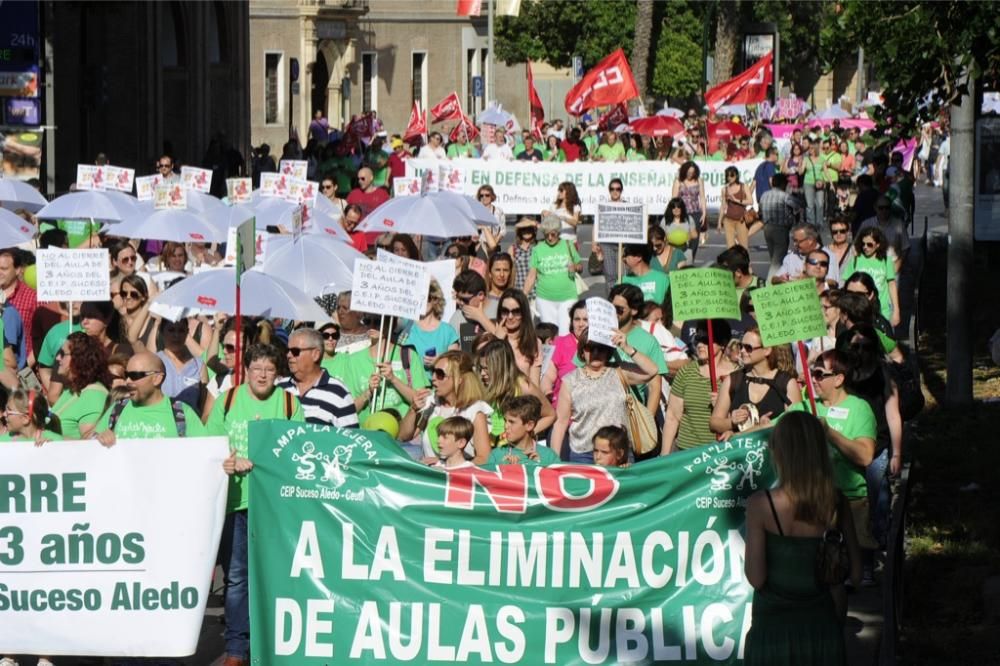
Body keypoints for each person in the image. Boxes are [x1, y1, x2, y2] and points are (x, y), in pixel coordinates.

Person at [209, 344, 305, 666]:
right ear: (246, 370)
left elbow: (298, 452)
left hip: (274, 506)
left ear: (277, 373)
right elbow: (210, 449)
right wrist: (227, 461)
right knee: (236, 578)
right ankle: (236, 650)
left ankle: (271, 646)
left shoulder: (290, 403)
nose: (262, 375)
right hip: (237, 502)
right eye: (256, 368)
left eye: (269, 369)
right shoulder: (229, 400)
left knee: (273, 576)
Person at [743, 411, 861, 665]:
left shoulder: (760, 505)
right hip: (822, 632)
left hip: (772, 633)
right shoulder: (837, 503)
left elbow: (756, 577)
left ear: (778, 452)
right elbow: (857, 574)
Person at [786, 350, 877, 557]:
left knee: (851, 571)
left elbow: (865, 456)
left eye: (820, 375)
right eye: (812, 374)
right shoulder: (805, 406)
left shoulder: (859, 408)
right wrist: (735, 434)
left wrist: (829, 432)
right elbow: (772, 427)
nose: (813, 380)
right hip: (812, 501)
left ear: (838, 379)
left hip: (850, 501)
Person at [549, 328, 658, 462]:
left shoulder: (619, 372)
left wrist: (627, 348)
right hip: (584, 454)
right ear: (582, 351)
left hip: (619, 453)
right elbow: (561, 422)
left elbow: (652, 370)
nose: (595, 352)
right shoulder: (570, 381)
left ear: (608, 350)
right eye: (590, 348)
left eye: (600, 348)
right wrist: (553, 460)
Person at [398, 350, 493, 465]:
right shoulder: (432, 403)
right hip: (430, 478)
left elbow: (484, 459)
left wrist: (444, 464)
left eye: (440, 374)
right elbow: (403, 436)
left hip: (455, 480)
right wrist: (413, 410)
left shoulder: (474, 411)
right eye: (433, 372)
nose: (433, 378)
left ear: (459, 380)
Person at [661, 320, 739, 454]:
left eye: (706, 340)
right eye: (698, 339)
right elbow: (673, 416)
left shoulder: (737, 375)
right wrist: (664, 455)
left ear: (722, 344)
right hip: (686, 453)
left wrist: (723, 407)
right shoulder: (686, 372)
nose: (700, 345)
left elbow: (745, 416)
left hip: (721, 453)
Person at [94, 352, 208, 443]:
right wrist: (99, 438)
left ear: (157, 378)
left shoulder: (181, 413)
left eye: (135, 376)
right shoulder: (117, 409)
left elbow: (204, 451)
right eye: (127, 375)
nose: (128, 381)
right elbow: (90, 447)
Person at [710, 328, 801, 437]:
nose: (742, 351)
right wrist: (731, 422)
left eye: (748, 348)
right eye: (741, 346)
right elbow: (713, 423)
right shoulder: (734, 380)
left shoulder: (786, 383)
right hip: (741, 452)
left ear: (767, 350)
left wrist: (771, 426)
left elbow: (796, 427)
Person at [476, 339, 554, 444]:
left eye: (486, 369)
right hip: (492, 449)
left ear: (500, 367)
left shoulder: (523, 386)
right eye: (481, 368)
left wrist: (526, 435)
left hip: (514, 452)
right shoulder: (483, 384)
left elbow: (550, 415)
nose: (482, 373)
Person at [277, 328, 358, 428]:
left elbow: (350, 437)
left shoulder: (339, 392)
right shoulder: (279, 387)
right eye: (287, 350)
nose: (289, 355)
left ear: (315, 354)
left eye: (295, 351)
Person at [523, 215, 582, 335]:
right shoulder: (538, 249)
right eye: (546, 234)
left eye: (553, 234)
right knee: (549, 335)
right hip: (545, 299)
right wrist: (523, 295)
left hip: (568, 296)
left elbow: (580, 266)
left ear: (558, 232)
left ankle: (566, 354)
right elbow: (531, 275)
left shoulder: (568, 245)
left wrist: (575, 267)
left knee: (565, 333)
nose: (550, 238)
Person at [50, 332, 111, 439]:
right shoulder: (71, 390)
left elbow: (89, 446)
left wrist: (53, 439)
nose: (58, 358)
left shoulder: (94, 396)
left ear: (79, 358)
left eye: (63, 354)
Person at [843, 227, 900, 327]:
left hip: (882, 311)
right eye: (863, 244)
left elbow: (891, 285)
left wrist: (896, 310)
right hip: (859, 311)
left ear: (878, 245)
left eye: (869, 244)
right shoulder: (856, 260)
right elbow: (846, 284)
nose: (865, 247)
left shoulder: (886, 261)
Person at [403, 280, 459, 369]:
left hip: (438, 380)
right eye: (418, 297)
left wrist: (440, 360)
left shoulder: (447, 331)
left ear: (435, 300)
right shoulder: (405, 326)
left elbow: (456, 363)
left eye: (426, 298)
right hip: (409, 382)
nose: (422, 302)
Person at [541, 300, 587, 407]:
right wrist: (547, 391)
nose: (581, 324)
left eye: (585, 320)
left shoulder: (601, 346)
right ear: (571, 322)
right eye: (577, 319)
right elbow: (547, 375)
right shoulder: (559, 343)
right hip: (562, 407)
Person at [487, 395, 557, 465]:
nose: (505, 426)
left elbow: (559, 475)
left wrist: (540, 467)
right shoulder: (496, 455)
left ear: (529, 425)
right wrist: (505, 468)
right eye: (505, 421)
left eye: (512, 422)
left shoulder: (549, 457)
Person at [758, 173, 802, 281]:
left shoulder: (764, 195)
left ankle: (777, 281)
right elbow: (798, 205)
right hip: (780, 229)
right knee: (777, 262)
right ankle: (770, 284)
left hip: (767, 228)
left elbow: (760, 212)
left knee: (774, 258)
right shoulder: (784, 196)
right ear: (783, 184)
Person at [492, 289, 542, 385]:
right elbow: (492, 375)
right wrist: (498, 342)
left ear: (524, 313)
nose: (510, 317)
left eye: (516, 312)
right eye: (505, 311)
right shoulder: (490, 339)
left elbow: (535, 385)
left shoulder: (534, 342)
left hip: (524, 398)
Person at [156, 317, 207, 410]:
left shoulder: (199, 365)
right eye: (171, 330)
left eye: (181, 331)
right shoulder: (155, 361)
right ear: (162, 332)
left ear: (187, 332)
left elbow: (205, 407)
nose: (176, 335)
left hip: (192, 422)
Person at [773, 222, 841, 286]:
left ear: (810, 240)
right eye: (794, 241)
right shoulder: (791, 257)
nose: (794, 244)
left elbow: (832, 282)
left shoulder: (828, 256)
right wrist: (781, 280)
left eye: (797, 241)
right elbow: (774, 279)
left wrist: (808, 282)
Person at [0, 248, 37, 362]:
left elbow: (43, 338)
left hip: (21, 368)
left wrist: (25, 368)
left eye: (4, 269)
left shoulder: (33, 298)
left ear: (17, 270)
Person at [856, 195, 909, 273]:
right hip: (870, 268)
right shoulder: (866, 224)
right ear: (875, 208)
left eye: (887, 208)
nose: (884, 210)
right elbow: (857, 245)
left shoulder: (899, 224)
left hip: (892, 267)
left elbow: (906, 248)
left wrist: (897, 265)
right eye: (881, 208)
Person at [672, 161, 707, 259]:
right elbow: (674, 199)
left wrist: (704, 213)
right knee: (682, 238)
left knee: (694, 239)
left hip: (695, 212)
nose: (690, 175)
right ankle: (681, 259)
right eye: (688, 172)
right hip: (682, 214)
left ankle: (691, 260)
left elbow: (703, 197)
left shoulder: (699, 180)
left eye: (692, 173)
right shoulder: (678, 181)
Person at [718, 166, 753, 248]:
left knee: (743, 246)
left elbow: (750, 201)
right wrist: (719, 222)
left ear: (736, 175)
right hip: (728, 220)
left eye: (732, 175)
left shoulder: (744, 186)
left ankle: (746, 261)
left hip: (741, 220)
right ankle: (732, 260)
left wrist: (736, 200)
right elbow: (723, 206)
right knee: (730, 246)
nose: (729, 178)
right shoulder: (724, 189)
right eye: (728, 176)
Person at [508, 218, 537, 295]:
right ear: (519, 231)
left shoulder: (538, 246)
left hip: (537, 292)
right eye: (524, 229)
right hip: (519, 291)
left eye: (529, 229)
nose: (527, 231)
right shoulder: (513, 249)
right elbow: (510, 272)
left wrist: (532, 223)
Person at [475, 185, 505, 255]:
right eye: (481, 195)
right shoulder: (475, 211)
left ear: (492, 196)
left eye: (487, 195)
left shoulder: (498, 211)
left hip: (495, 244)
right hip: (481, 245)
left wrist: (495, 242)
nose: (484, 197)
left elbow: (503, 230)